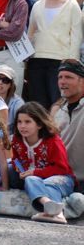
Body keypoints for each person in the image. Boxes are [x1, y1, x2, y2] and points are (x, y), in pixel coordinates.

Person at [27, 0, 82, 109]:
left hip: (60, 61)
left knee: (57, 103)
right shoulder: (38, 5)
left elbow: (76, 34)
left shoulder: (72, 4)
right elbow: (31, 33)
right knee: (38, 105)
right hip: (36, 60)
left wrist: (72, 60)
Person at [11, 102, 74, 224]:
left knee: (38, 181)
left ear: (39, 124)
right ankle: (55, 212)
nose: (22, 126)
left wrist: (35, 172)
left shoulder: (53, 141)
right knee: (22, 175)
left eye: (27, 122)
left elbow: (62, 168)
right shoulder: (17, 140)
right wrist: (19, 169)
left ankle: (55, 212)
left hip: (61, 179)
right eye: (19, 122)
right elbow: (15, 159)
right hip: (33, 179)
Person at [51, 59, 84, 192]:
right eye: (60, 77)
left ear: (82, 81)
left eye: (69, 77)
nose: (62, 82)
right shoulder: (58, 111)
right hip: (62, 179)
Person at [0, 64, 24, 134]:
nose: (0, 82)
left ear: (10, 84)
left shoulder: (18, 103)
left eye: (5, 80)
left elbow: (21, 128)